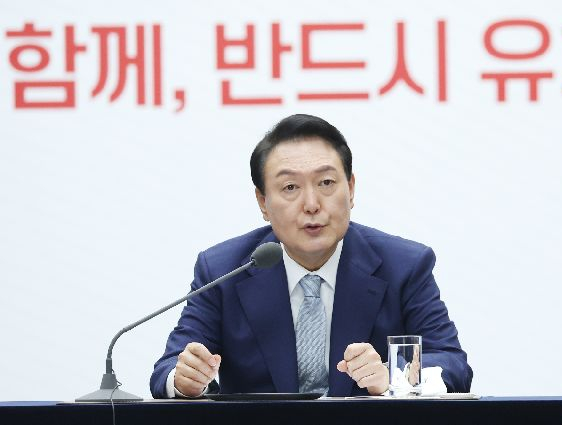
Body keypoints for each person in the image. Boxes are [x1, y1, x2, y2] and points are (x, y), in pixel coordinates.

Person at [150, 114, 472, 398]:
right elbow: (169, 369)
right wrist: (185, 380)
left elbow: (452, 364)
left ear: (351, 189)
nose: (312, 204)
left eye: (326, 182)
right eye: (290, 187)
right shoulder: (223, 270)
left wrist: (394, 378)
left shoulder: (404, 266)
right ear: (263, 202)